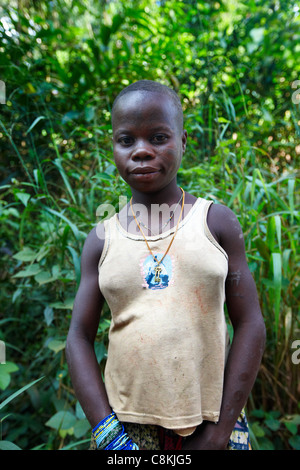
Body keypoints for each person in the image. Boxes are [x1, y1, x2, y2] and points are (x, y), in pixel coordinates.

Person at [66, 80, 266, 450]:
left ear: (184, 141)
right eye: (127, 140)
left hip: (212, 421)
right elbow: (78, 337)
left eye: (158, 138)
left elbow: (251, 323)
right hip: (127, 428)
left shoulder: (216, 222)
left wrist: (221, 432)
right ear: (113, 146)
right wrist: (108, 434)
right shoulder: (101, 239)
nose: (141, 151)